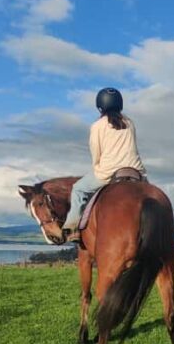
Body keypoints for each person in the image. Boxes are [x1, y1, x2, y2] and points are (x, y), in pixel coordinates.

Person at [62, 87, 146, 243]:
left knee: (78, 189)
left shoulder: (97, 126)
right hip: (136, 171)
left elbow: (96, 152)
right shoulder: (129, 123)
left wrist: (97, 167)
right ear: (120, 104)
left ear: (100, 106)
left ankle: (72, 228)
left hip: (109, 171)